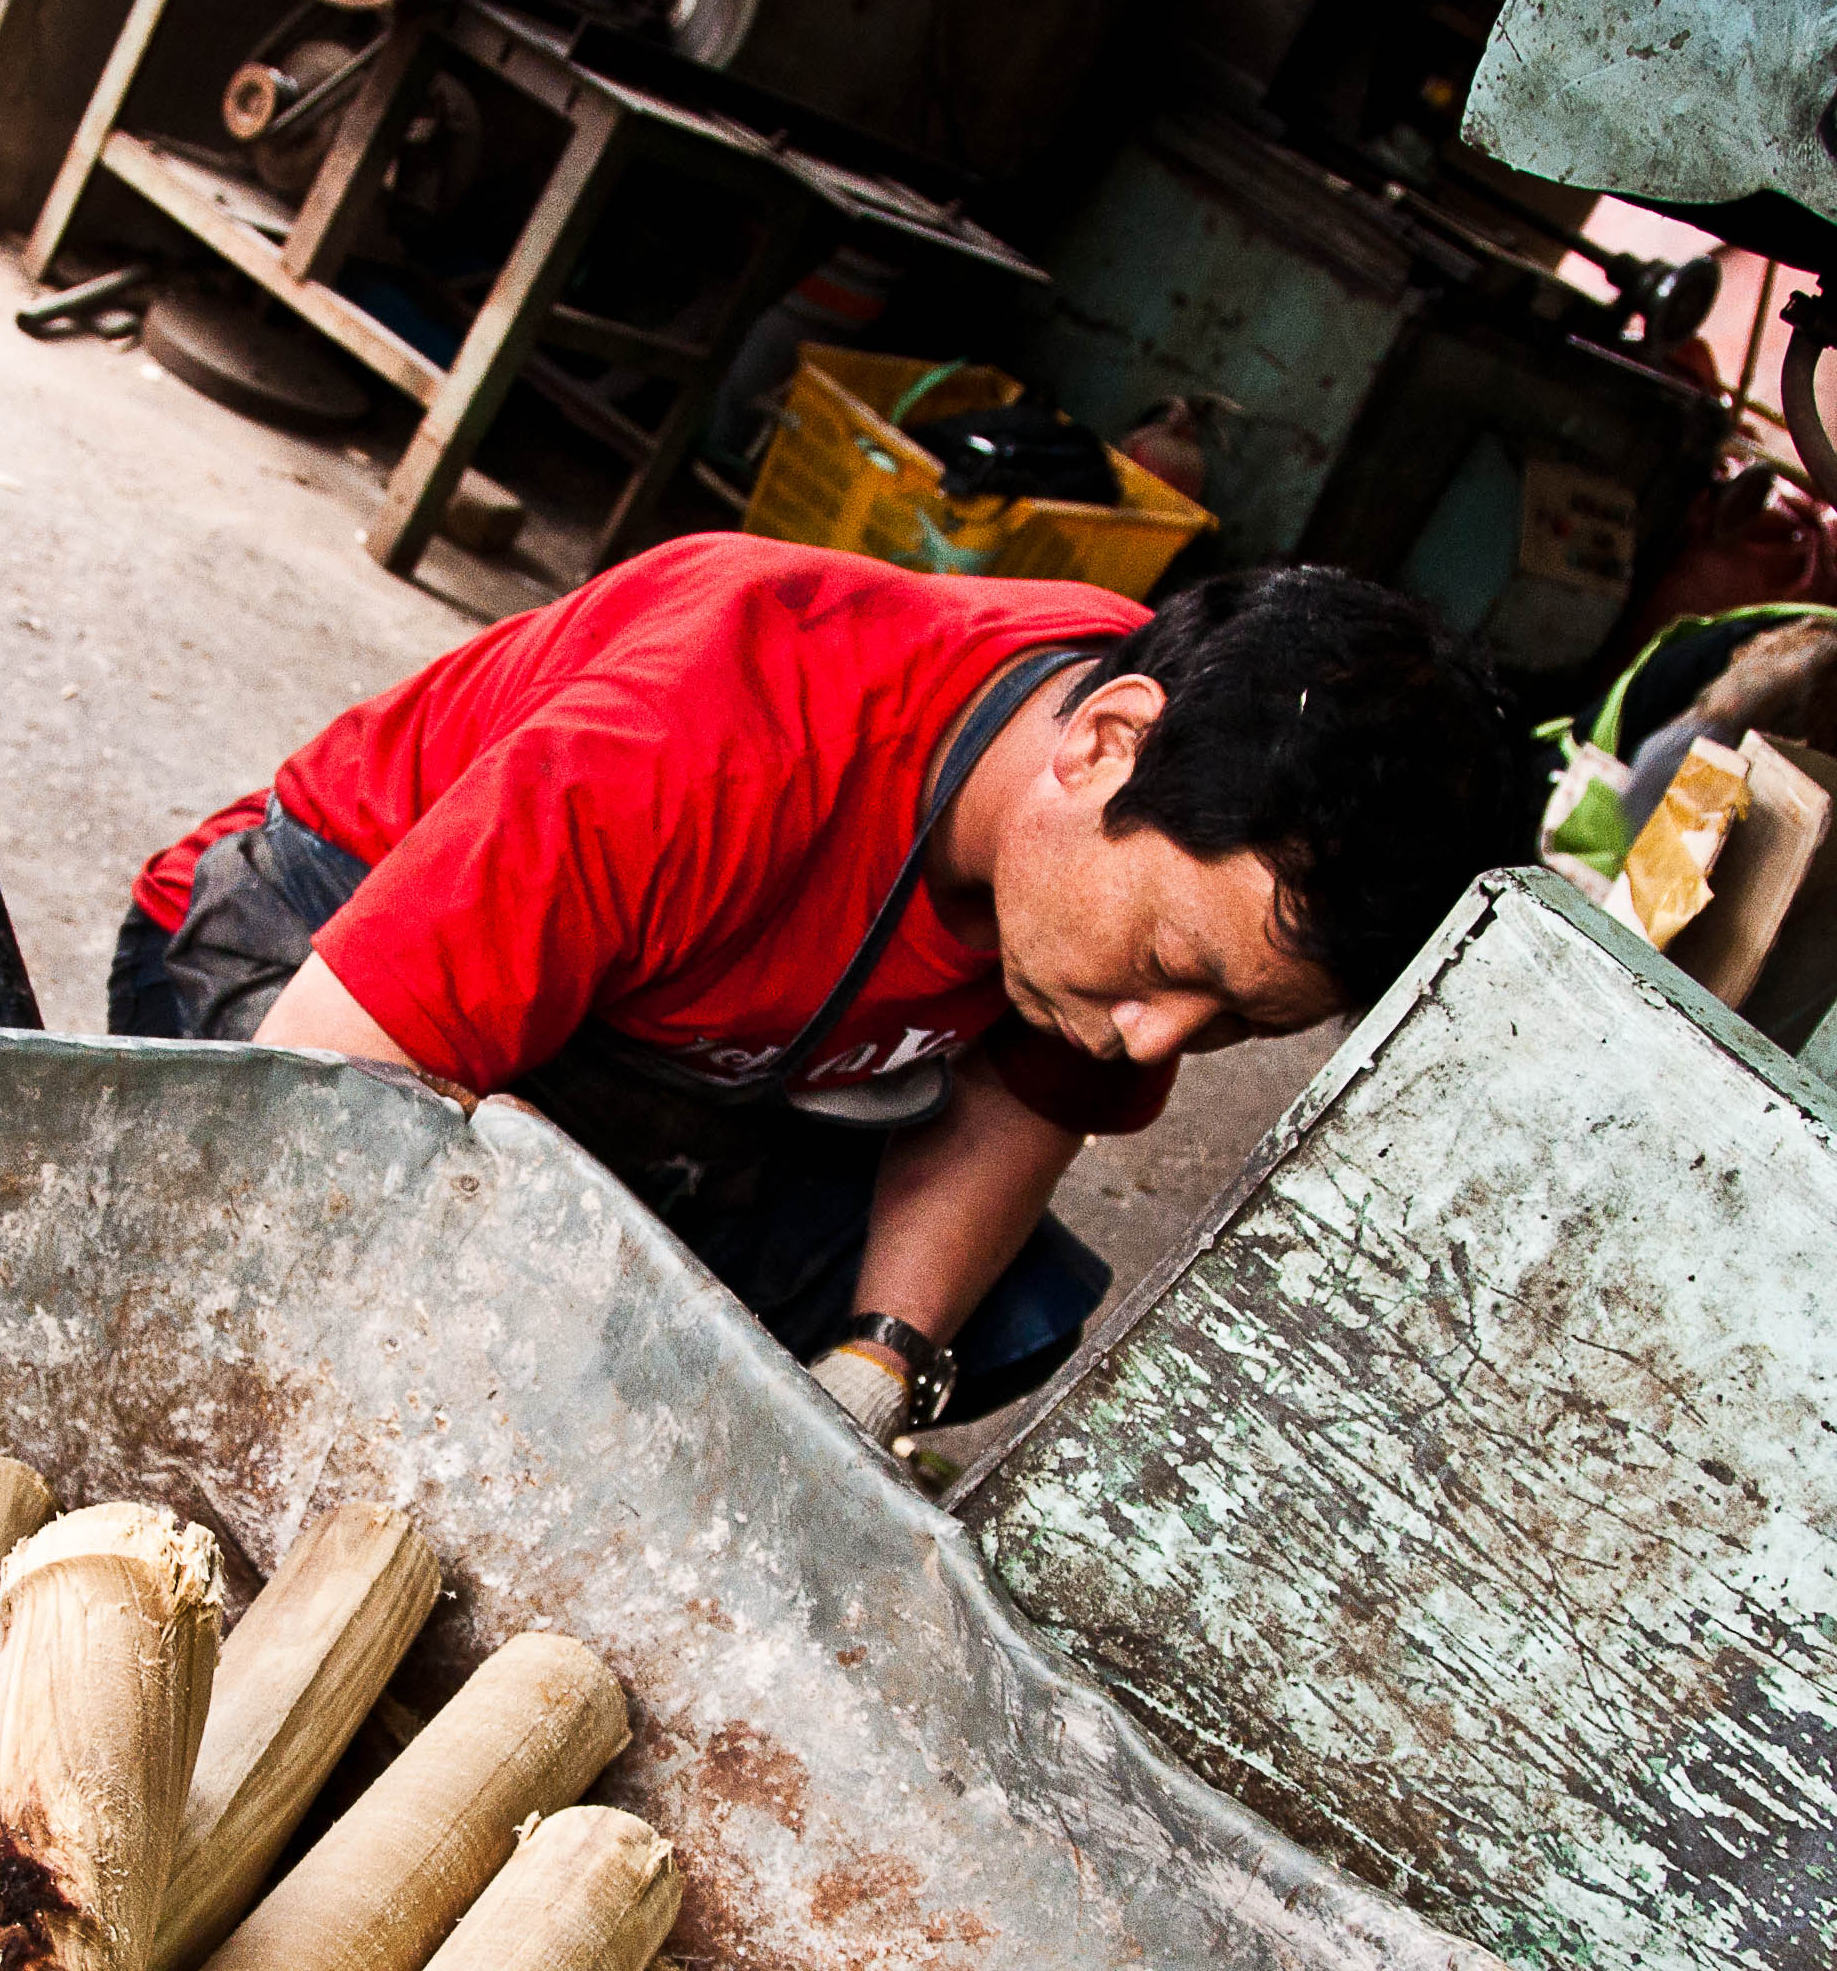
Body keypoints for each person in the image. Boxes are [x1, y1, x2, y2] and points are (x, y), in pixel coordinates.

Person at [109, 534, 1526, 1443]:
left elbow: (1031, 1096)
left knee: (1005, 1311)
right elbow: (314, 1132)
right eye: (1170, 973)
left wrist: (875, 1368)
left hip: (676, 1065)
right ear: (1102, 746)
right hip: (318, 957)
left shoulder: (1142, 759)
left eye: (1231, 1031)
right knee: (411, 1350)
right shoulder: (705, 738)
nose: (1154, 1042)